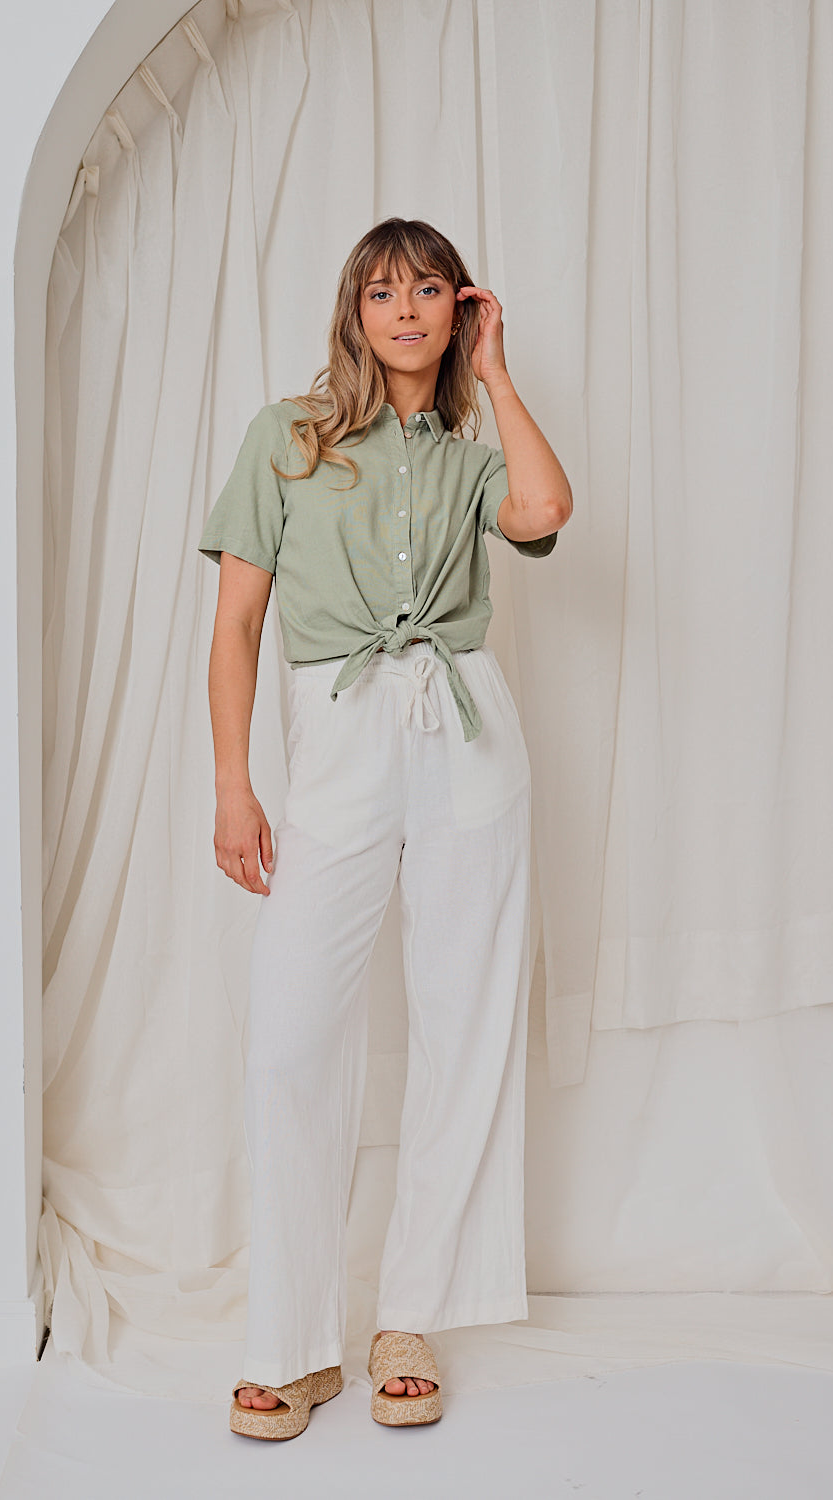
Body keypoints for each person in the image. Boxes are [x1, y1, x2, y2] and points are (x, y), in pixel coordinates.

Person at [198, 217, 572, 1439]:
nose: (404, 309)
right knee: (290, 1038)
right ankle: (292, 1344)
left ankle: (410, 1316)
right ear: (352, 312)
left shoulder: (470, 459)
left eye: (426, 289)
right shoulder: (287, 438)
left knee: (465, 1024)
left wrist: (496, 374)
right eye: (380, 291)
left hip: (467, 739)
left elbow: (546, 504)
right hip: (339, 740)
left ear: (457, 310)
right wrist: (233, 784)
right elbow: (237, 627)